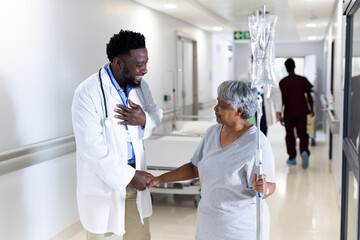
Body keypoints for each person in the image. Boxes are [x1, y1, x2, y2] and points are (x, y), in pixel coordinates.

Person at [148, 80, 276, 240]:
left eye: (221, 105)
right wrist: (158, 179)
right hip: (209, 224)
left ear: (239, 110)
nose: (215, 108)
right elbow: (194, 168)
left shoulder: (256, 143)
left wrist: (263, 189)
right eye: (217, 102)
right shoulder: (212, 133)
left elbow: (269, 185)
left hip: (240, 228)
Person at [71, 30, 163, 239]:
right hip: (106, 183)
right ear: (118, 63)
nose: (145, 70)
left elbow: (155, 114)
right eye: (139, 64)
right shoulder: (88, 92)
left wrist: (144, 119)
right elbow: (92, 149)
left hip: (136, 178)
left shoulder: (141, 87)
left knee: (139, 235)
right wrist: (130, 175)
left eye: (146, 62)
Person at [276, 58, 314, 169]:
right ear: (294, 66)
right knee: (303, 134)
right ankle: (304, 151)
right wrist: (311, 109)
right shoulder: (302, 80)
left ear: (286, 68)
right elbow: (309, 95)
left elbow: (281, 100)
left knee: (289, 135)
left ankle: (292, 158)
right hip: (301, 111)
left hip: (288, 112)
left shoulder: (283, 82)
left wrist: (281, 114)